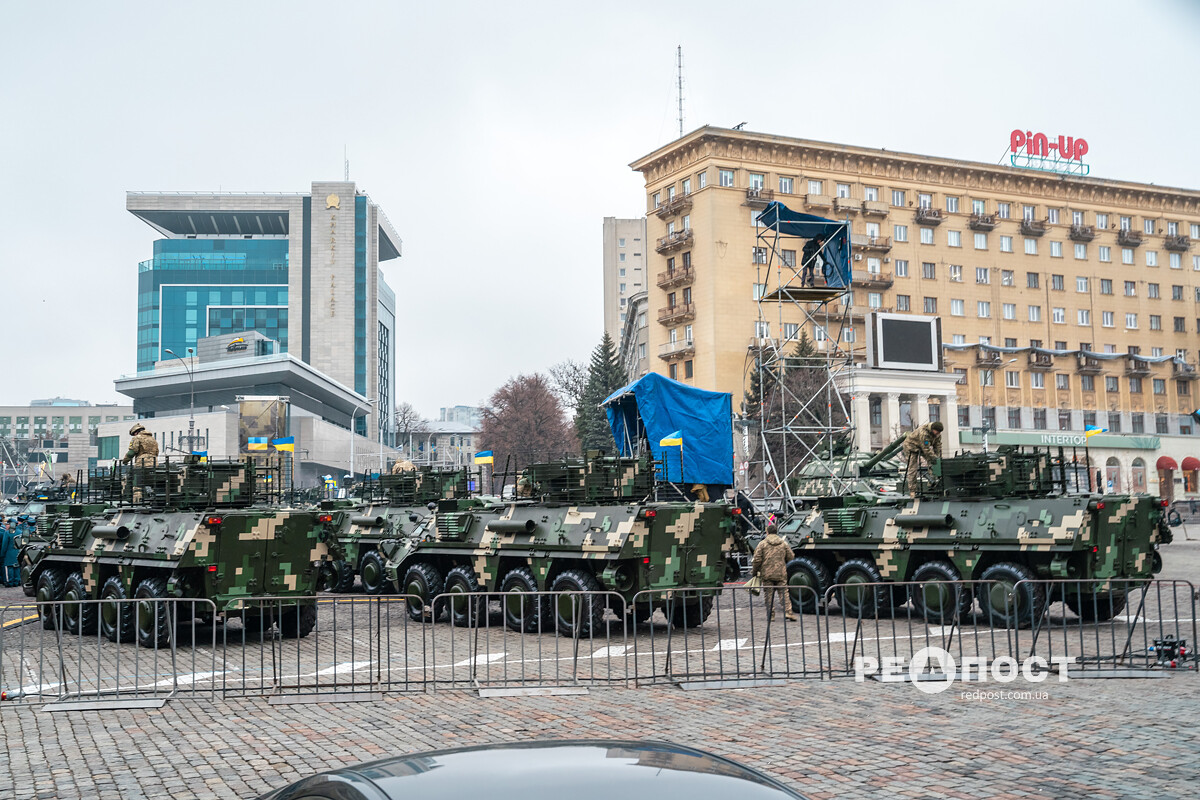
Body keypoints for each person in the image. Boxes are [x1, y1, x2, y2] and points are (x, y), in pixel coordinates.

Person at [751, 523, 796, 621]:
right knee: (784, 593)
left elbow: (757, 559)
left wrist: (754, 571)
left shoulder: (762, 544)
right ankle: (788, 612)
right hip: (781, 573)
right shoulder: (783, 543)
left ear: (767, 532)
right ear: (776, 532)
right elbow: (791, 557)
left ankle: (771, 615)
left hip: (767, 574)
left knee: (769, 595)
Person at [902, 421, 944, 496]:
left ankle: (932, 484)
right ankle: (912, 490)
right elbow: (926, 449)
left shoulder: (937, 434)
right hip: (911, 446)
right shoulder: (924, 433)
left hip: (922, 447)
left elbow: (938, 446)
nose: (938, 434)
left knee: (934, 463)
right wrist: (934, 458)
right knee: (913, 468)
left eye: (939, 432)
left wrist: (938, 459)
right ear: (933, 429)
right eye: (937, 432)